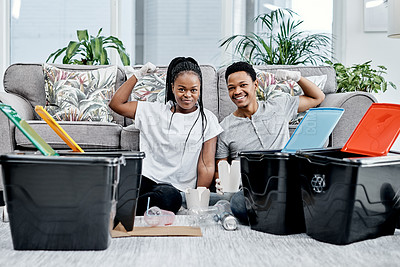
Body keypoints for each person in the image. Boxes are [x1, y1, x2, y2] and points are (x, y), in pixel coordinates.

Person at [109, 57, 223, 215]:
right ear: (172, 88)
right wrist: (138, 75)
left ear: (200, 89)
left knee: (170, 198)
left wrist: (198, 200)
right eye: (181, 89)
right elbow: (116, 104)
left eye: (193, 90)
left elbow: (206, 165)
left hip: (175, 190)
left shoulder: (207, 119)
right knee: (115, 181)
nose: (187, 95)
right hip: (146, 180)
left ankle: (116, 207)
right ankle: (117, 204)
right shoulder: (154, 111)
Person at [215, 62, 325, 223]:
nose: (237, 91)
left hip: (285, 181)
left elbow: (318, 97)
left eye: (242, 85)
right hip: (252, 190)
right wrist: (221, 184)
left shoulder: (279, 106)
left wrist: (297, 77)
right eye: (231, 88)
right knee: (238, 203)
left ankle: (277, 214)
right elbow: (221, 167)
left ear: (255, 85)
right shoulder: (224, 127)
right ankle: (290, 214)